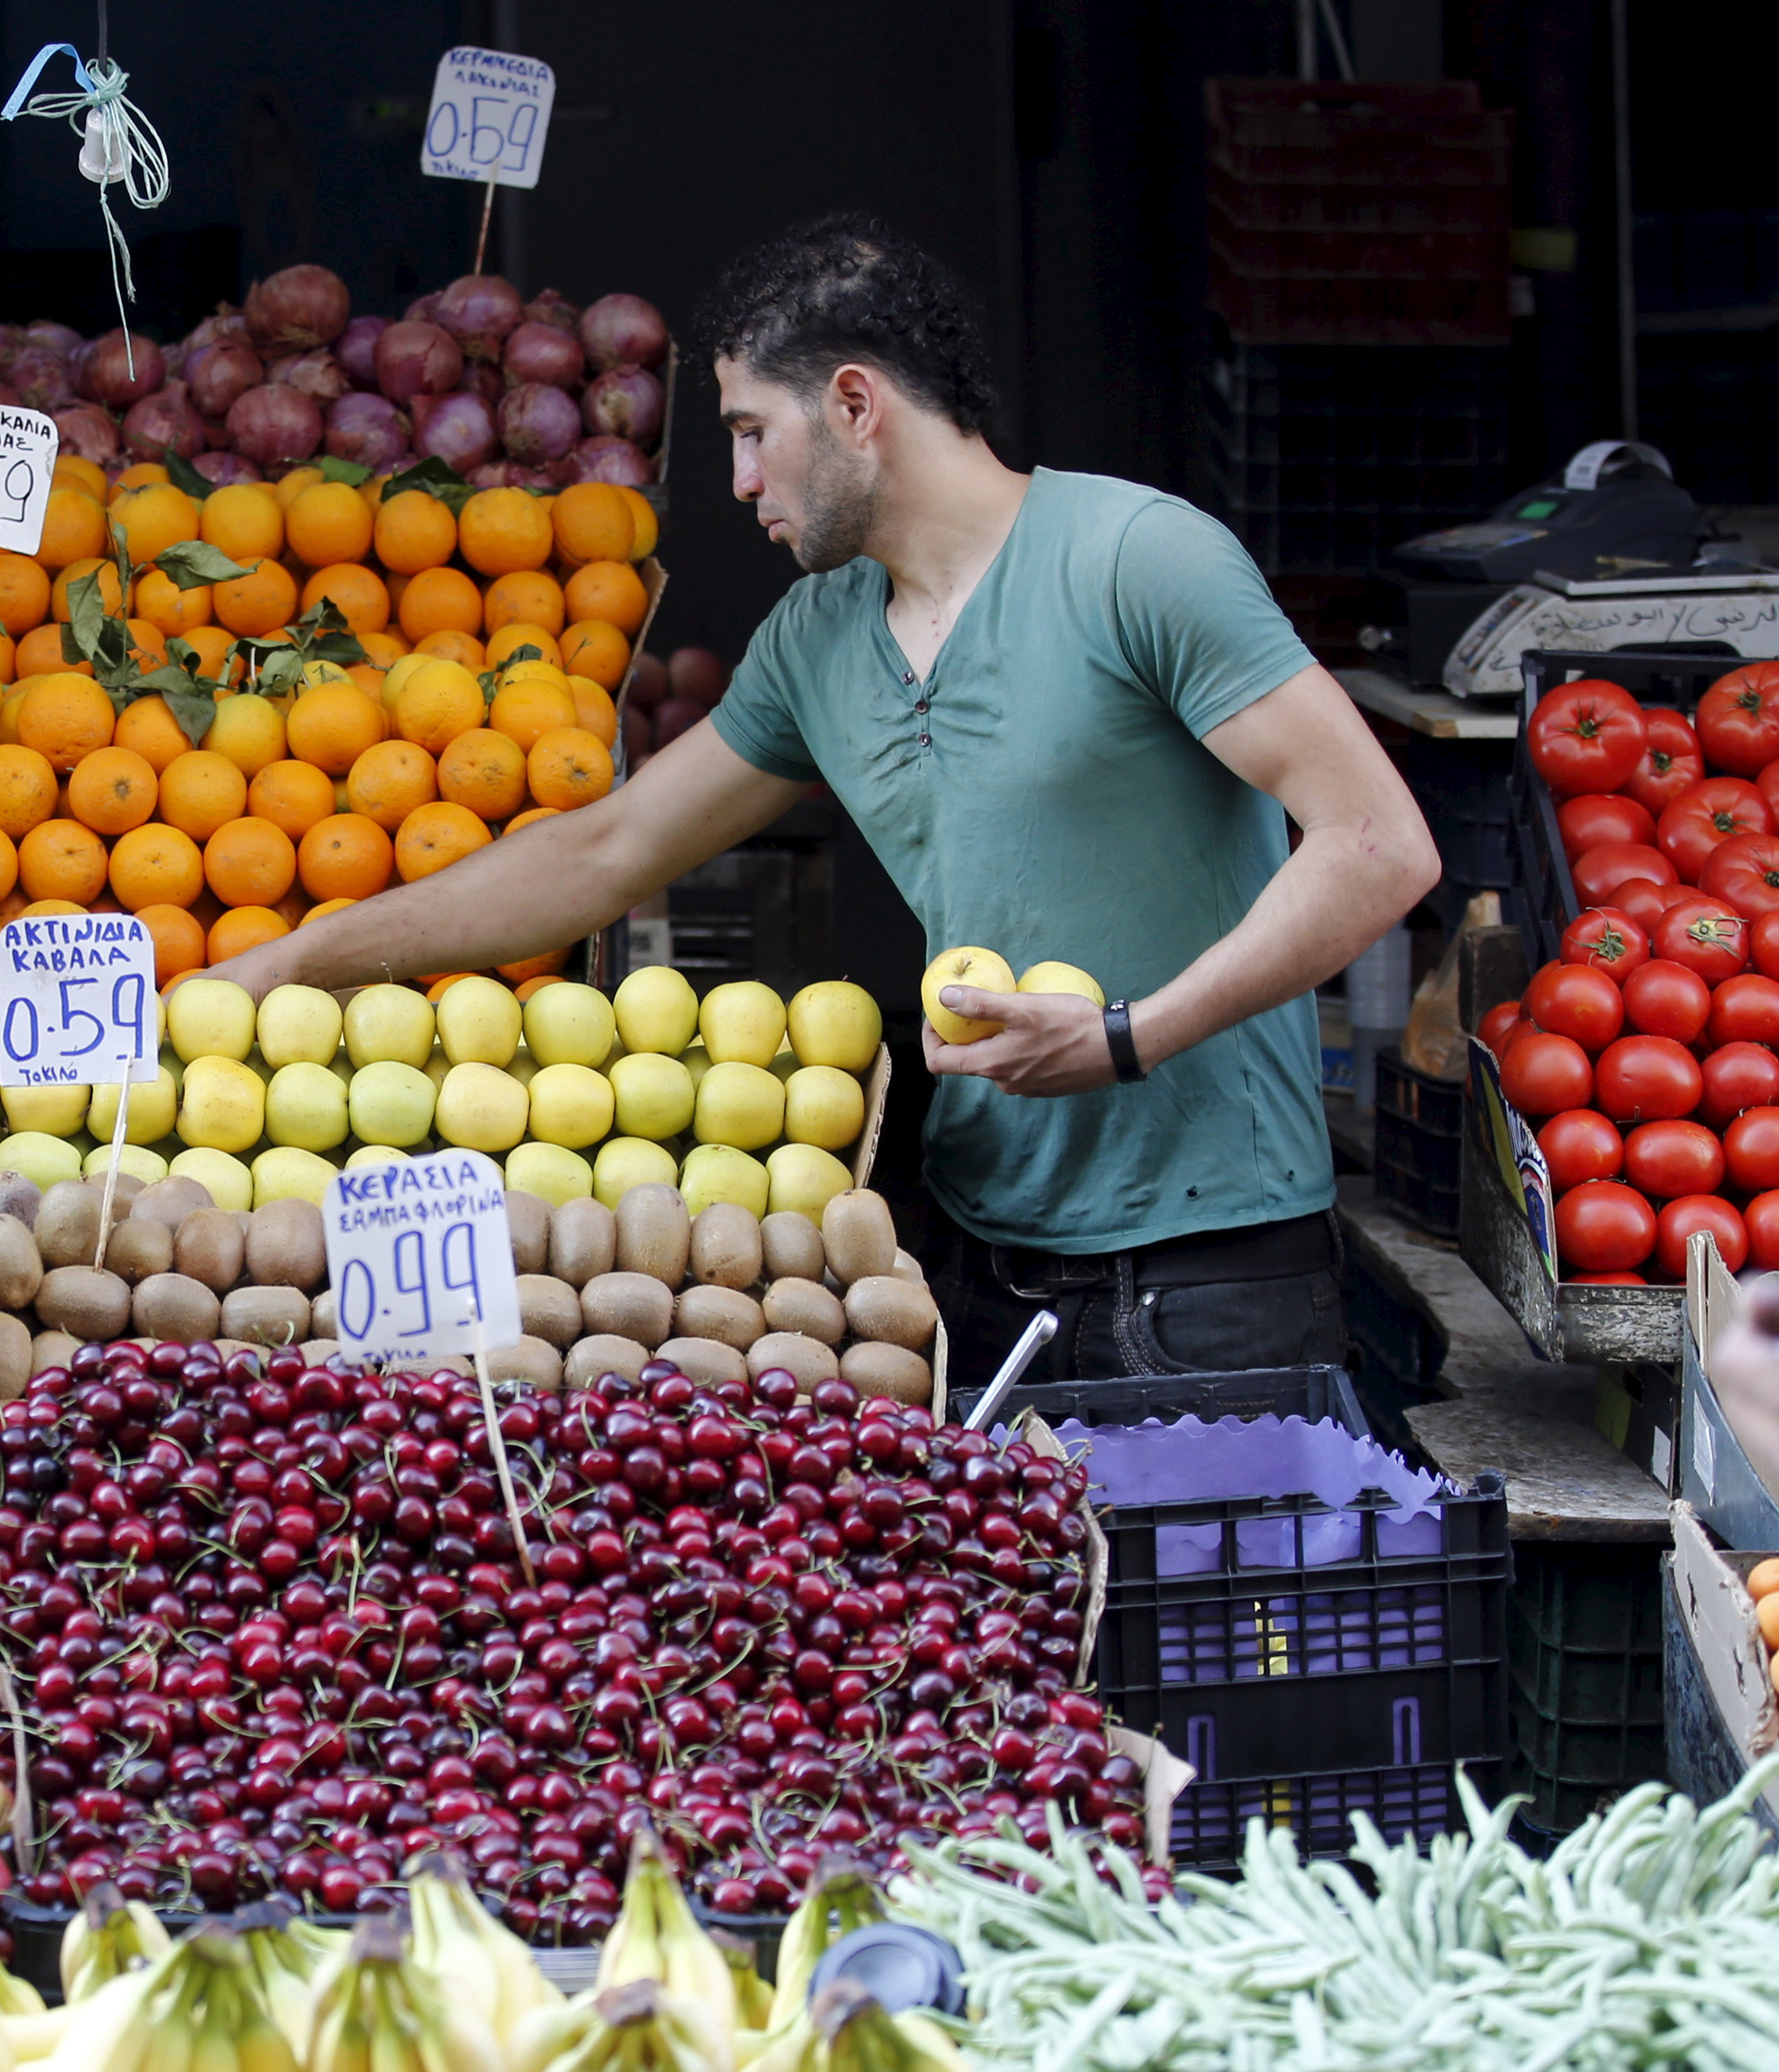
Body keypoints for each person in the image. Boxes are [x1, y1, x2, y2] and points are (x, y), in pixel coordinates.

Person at [213, 215, 1441, 1383]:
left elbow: (1381, 845)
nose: (739, 480)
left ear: (855, 405)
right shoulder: (819, 636)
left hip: (1213, 1271)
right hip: (974, 1262)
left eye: (754, 432)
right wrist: (305, 958)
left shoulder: (1137, 560)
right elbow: (605, 850)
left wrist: (1131, 1034)